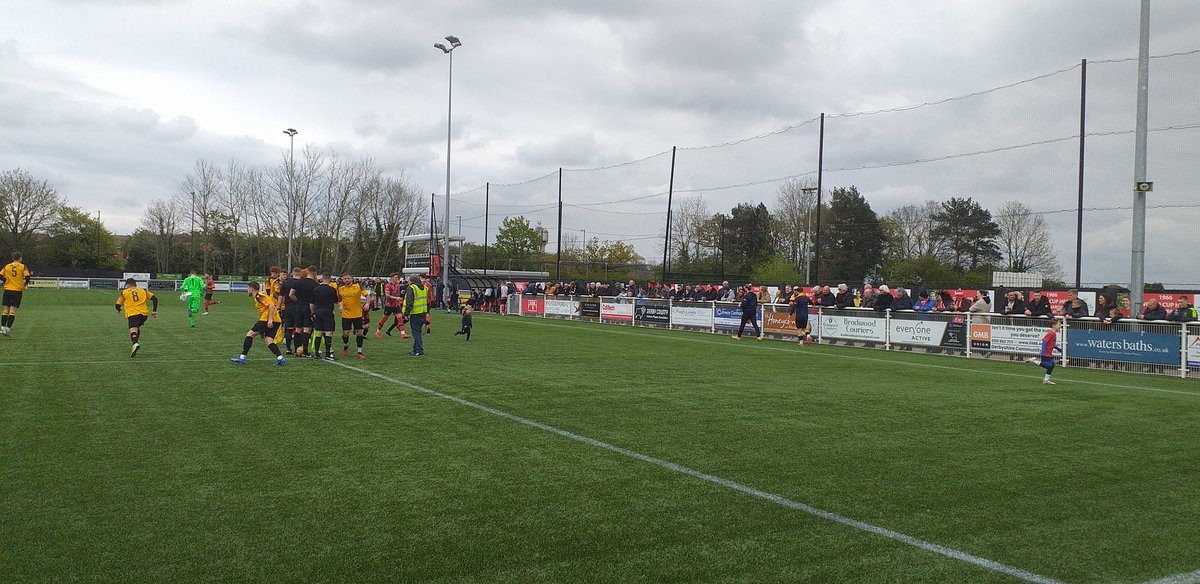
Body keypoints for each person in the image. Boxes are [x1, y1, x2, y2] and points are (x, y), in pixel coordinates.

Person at [230, 281, 286, 366]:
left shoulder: (259, 296)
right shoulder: (259, 296)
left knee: (250, 334)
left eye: (248, 289)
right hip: (276, 320)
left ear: (252, 289)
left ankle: (242, 358)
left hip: (267, 320)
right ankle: (280, 358)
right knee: (269, 340)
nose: (247, 290)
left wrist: (270, 320)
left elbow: (271, 305)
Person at [115, 278, 158, 357]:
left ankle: (135, 343)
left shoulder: (124, 292)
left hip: (133, 313)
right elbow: (155, 299)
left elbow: (117, 305)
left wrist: (119, 309)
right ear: (135, 284)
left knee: (133, 329)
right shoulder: (143, 291)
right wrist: (154, 311)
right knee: (137, 328)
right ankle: (136, 343)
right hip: (144, 314)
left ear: (127, 285)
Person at [335, 273, 367, 360]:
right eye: (345, 279)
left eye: (348, 278)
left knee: (359, 333)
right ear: (343, 280)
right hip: (346, 314)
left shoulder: (357, 286)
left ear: (352, 279)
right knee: (345, 333)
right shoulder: (340, 289)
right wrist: (340, 305)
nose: (346, 280)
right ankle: (346, 346)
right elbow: (339, 299)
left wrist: (367, 303)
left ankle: (359, 351)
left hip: (357, 314)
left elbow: (367, 295)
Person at [289, 268, 319, 357]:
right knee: (307, 329)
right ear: (314, 274)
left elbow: (291, 294)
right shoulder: (315, 284)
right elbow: (316, 299)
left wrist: (297, 301)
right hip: (308, 307)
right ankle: (305, 351)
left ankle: (296, 350)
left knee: (298, 329)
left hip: (298, 307)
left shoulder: (298, 282)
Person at [1, 251, 32, 335]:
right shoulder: (22, 266)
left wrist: (6, 280)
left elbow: (0, 275)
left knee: (5, 310)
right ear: (20, 258)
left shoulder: (7, 266)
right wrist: (25, 284)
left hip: (7, 289)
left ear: (12, 258)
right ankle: (8, 329)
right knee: (12, 311)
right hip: (17, 291)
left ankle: (2, 327)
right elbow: (28, 277)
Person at [311, 273, 339, 361]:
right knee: (328, 332)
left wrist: (313, 313)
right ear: (329, 279)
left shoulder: (316, 289)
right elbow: (336, 301)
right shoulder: (332, 289)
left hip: (318, 311)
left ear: (322, 278)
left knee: (319, 332)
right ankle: (327, 353)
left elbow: (312, 303)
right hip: (327, 312)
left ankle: (316, 353)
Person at [1026, 319, 1061, 385]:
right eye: (1059, 325)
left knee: (1052, 365)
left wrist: (1058, 349)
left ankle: (1046, 380)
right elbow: (1044, 341)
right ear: (1054, 325)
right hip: (1046, 353)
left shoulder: (1053, 333)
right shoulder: (1051, 333)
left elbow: (1052, 344)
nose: (1060, 326)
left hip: (1049, 353)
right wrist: (1043, 351)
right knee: (1049, 366)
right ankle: (1033, 361)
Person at [404, 275, 429, 356]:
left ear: (411, 281)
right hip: (423, 312)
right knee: (418, 331)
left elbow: (409, 301)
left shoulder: (412, 288)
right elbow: (427, 301)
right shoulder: (425, 288)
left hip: (415, 313)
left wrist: (406, 313)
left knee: (416, 332)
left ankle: (419, 350)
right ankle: (415, 349)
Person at [377, 272, 407, 339]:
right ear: (392, 278)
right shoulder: (388, 285)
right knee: (384, 318)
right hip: (389, 305)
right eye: (396, 277)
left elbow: (398, 293)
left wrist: (399, 299)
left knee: (400, 319)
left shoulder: (398, 285)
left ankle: (403, 334)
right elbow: (387, 295)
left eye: (397, 277)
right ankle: (378, 332)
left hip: (396, 305)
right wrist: (396, 298)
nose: (397, 278)